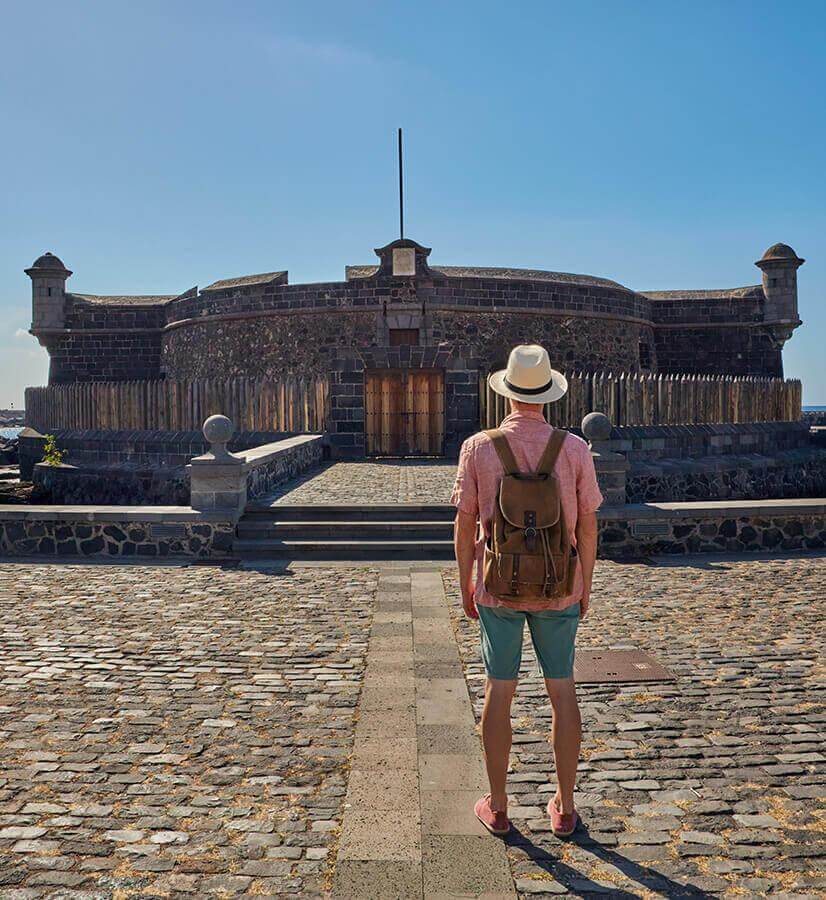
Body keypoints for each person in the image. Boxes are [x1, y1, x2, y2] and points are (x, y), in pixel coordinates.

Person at [451, 343, 603, 838]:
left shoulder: (478, 447)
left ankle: (497, 806)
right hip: (560, 586)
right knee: (562, 692)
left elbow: (465, 523)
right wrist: (586, 584)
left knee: (500, 691)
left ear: (507, 392)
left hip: (498, 588)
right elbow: (587, 525)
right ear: (548, 394)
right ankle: (564, 805)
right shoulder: (575, 448)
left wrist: (465, 585)